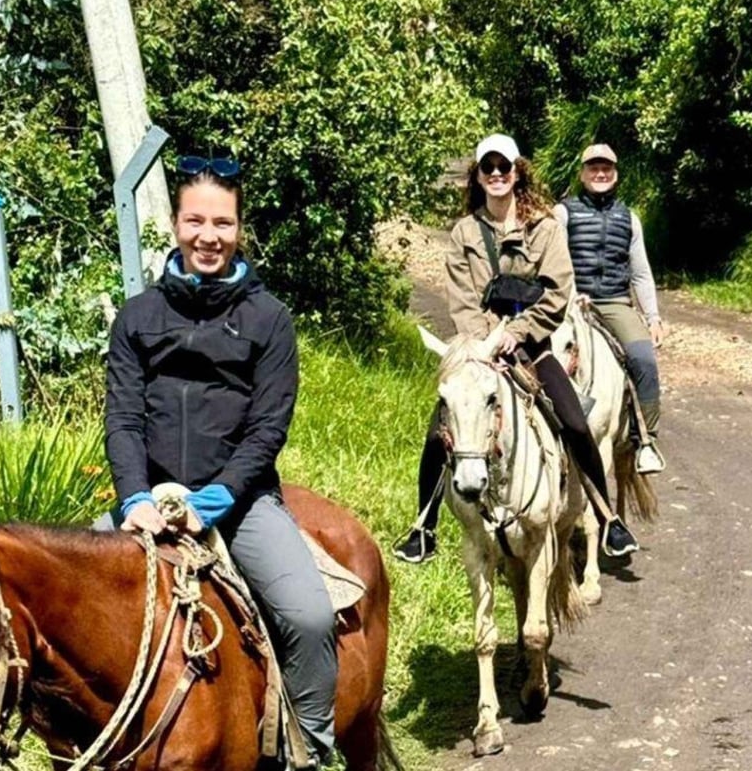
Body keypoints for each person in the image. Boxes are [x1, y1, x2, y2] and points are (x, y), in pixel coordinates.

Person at [100, 156, 338, 769]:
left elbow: (268, 427)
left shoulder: (269, 319)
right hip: (148, 503)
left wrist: (216, 500)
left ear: (240, 230)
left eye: (223, 223)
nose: (209, 236)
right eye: (196, 220)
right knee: (75, 610)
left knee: (310, 618)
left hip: (240, 502)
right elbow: (123, 420)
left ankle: (307, 746)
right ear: (176, 224)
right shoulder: (137, 318)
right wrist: (136, 499)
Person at [394, 133, 640, 565]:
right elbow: (462, 300)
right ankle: (424, 526)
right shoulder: (464, 233)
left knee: (576, 423)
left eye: (502, 168)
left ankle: (608, 519)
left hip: (533, 348)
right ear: (478, 175)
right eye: (487, 168)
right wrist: (486, 341)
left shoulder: (544, 227)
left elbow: (557, 292)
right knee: (440, 430)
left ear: (516, 172)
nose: (495, 175)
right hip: (480, 350)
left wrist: (519, 332)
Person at [555, 143, 666, 475]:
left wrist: (653, 316)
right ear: (582, 174)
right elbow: (557, 262)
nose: (600, 173)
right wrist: (572, 296)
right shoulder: (563, 213)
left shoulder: (629, 219)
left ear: (615, 175)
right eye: (593, 168)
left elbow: (641, 272)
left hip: (615, 302)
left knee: (643, 358)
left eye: (606, 169)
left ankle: (646, 440)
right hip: (571, 302)